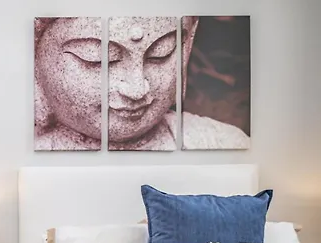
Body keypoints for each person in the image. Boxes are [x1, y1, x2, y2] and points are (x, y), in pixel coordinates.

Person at [34, 16, 250, 151]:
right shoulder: (22, 155)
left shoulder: (221, 143)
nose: (137, 89)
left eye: (160, 54)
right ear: (35, 61)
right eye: (98, 59)